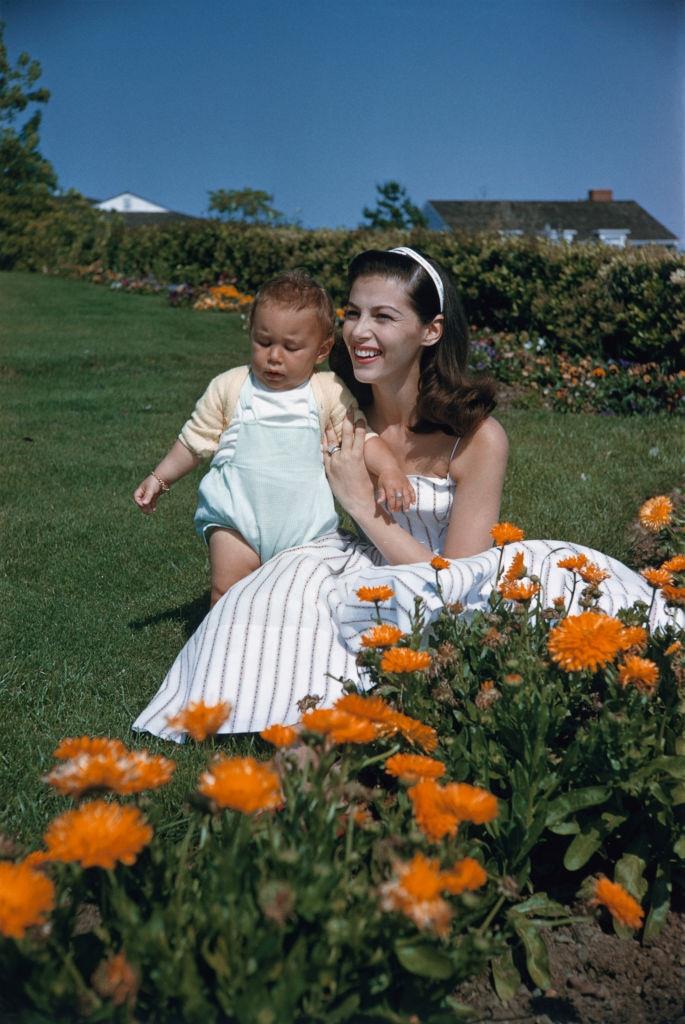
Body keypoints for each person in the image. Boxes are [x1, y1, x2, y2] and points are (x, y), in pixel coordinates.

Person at [132, 247, 680, 741]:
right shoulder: (334, 409)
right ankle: (281, 716)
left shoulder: (477, 438)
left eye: (383, 316)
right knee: (269, 594)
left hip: (455, 587)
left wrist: (362, 505)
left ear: (431, 330)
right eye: (353, 313)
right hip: (360, 565)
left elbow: (456, 579)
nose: (358, 332)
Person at [133, 271, 414, 606]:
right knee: (227, 591)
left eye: (291, 347)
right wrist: (159, 478)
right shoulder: (232, 387)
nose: (274, 356)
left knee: (299, 601)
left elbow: (363, 438)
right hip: (235, 518)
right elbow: (194, 441)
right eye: (263, 342)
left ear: (322, 349)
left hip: (304, 531)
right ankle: (222, 648)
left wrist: (390, 471)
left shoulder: (326, 391)